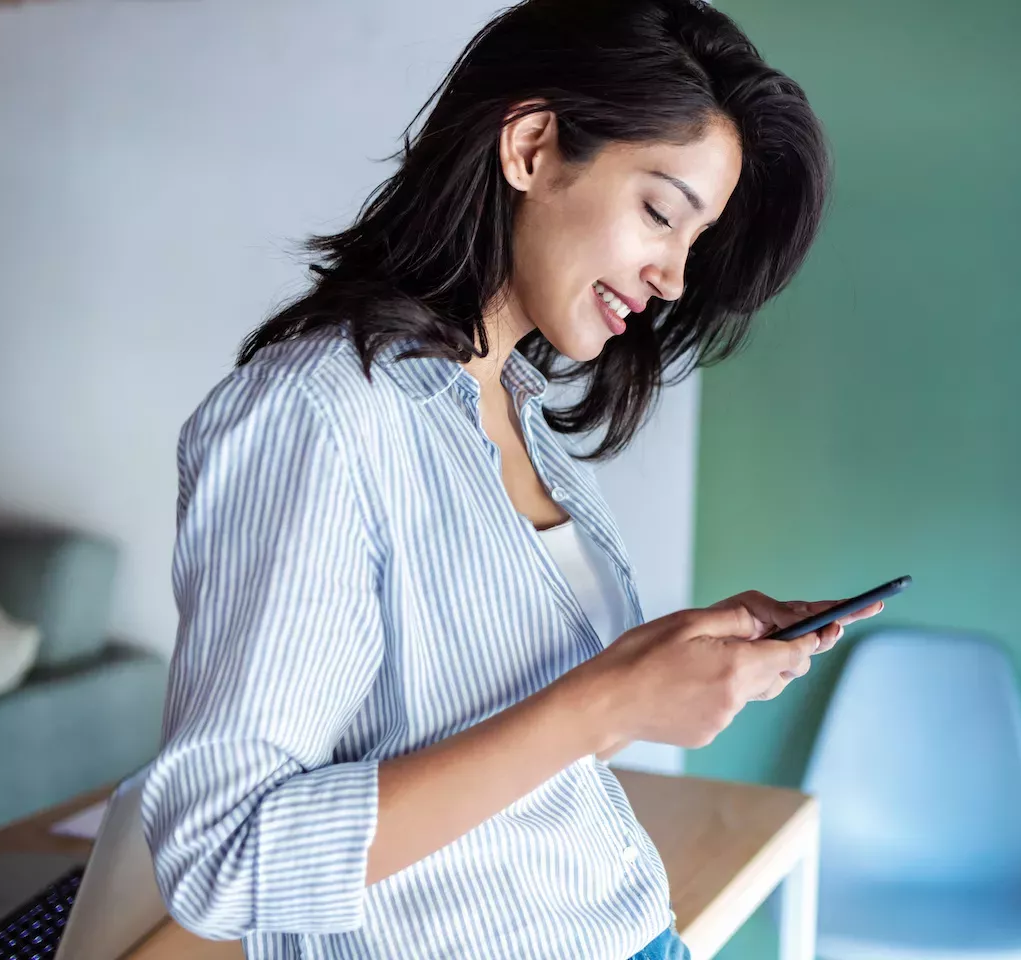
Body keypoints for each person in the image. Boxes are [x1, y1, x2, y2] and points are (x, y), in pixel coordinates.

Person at [140, 1, 882, 958]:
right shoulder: (317, 419)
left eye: (693, 246)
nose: (673, 279)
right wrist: (605, 701)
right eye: (662, 213)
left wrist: (663, 669)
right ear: (532, 146)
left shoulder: (518, 406)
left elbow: (521, 746)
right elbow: (223, 855)